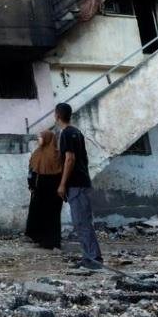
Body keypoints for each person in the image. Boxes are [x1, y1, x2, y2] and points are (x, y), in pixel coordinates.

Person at [55, 103, 104, 269]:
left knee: (82, 222)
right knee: (81, 222)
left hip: (76, 184)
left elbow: (70, 159)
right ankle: (89, 258)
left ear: (57, 116)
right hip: (80, 182)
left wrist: (62, 184)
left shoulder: (67, 133)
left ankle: (93, 260)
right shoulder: (77, 132)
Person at [26, 130, 64, 249]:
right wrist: (31, 185)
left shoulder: (57, 154)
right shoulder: (37, 153)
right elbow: (31, 171)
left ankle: (52, 241)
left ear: (48, 138)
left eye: (40, 137)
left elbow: (62, 172)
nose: (38, 140)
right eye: (38, 137)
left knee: (52, 215)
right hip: (39, 188)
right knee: (39, 213)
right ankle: (40, 239)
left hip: (54, 189)